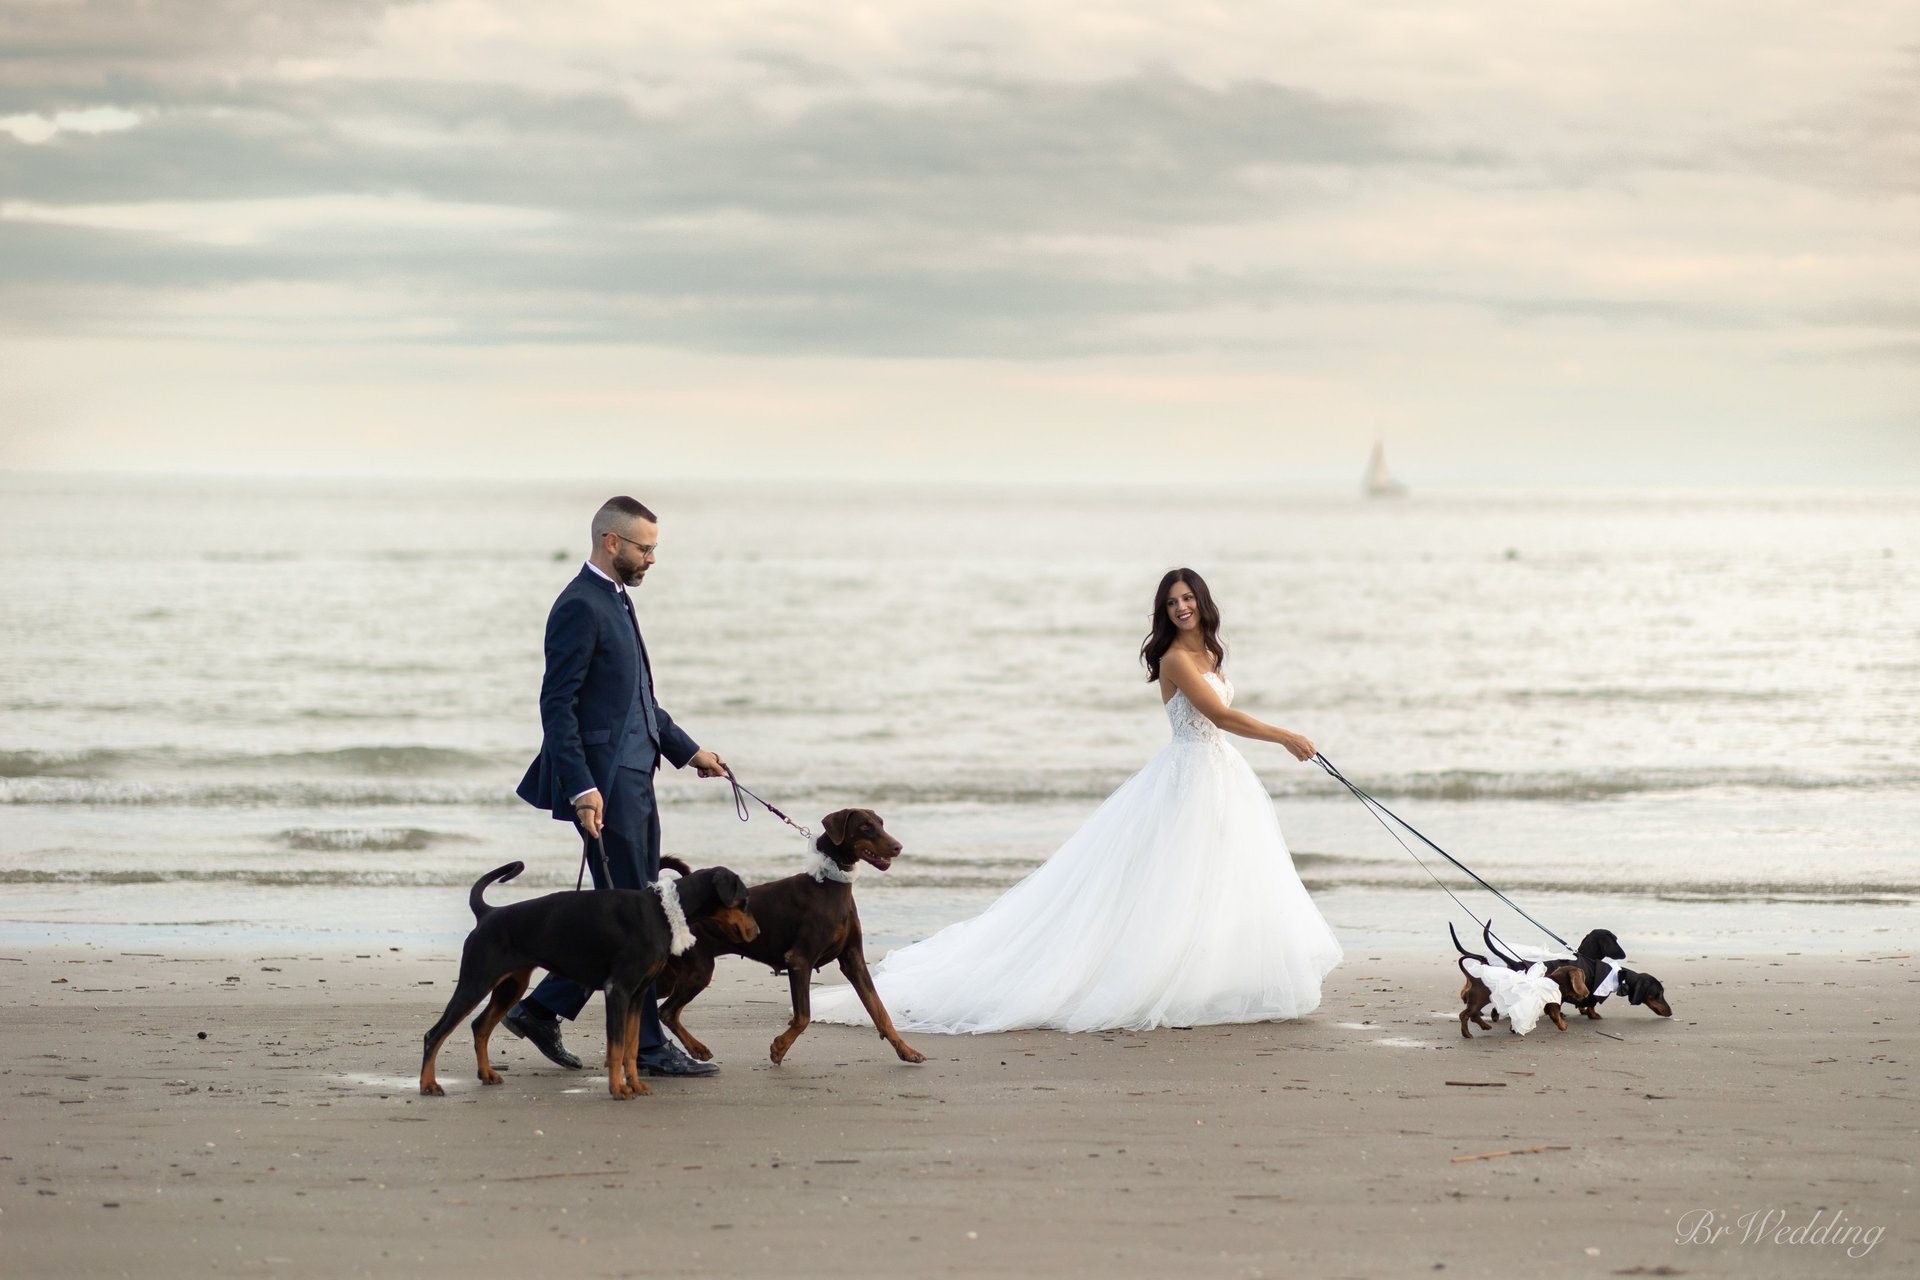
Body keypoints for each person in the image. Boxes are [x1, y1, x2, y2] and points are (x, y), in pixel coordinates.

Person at [810, 567, 1342, 1033]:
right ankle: (1160, 978)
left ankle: (1208, 976)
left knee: (1217, 879)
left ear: (1203, 601)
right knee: (1173, 882)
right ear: (1165, 611)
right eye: (1172, 601)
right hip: (1189, 777)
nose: (1182, 606)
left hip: (1221, 774)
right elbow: (1220, 717)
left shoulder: (1210, 651)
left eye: (1188, 598)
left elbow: (1221, 721)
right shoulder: (1178, 659)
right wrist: (1286, 736)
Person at [503, 495, 731, 1076]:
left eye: (654, 548)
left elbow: (639, 702)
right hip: (605, 787)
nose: (652, 558)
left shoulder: (617, 600)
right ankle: (649, 1050)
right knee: (639, 925)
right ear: (611, 542)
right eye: (645, 547)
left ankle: (542, 1009)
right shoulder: (579, 604)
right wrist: (580, 787)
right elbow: (557, 705)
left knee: (629, 914)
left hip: (637, 778)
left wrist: (689, 751)